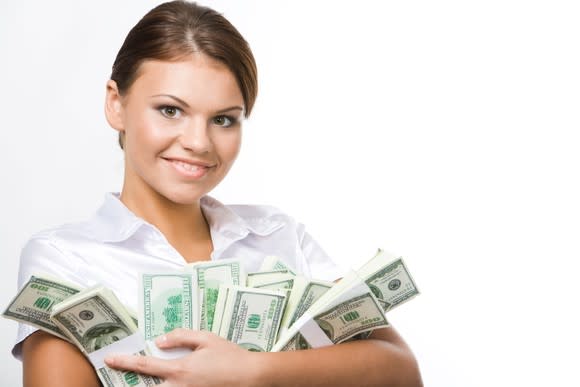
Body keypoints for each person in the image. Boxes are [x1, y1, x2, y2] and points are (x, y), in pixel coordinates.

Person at [15, 1, 422, 386]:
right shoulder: (64, 258)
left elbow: (401, 371)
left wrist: (252, 371)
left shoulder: (278, 236)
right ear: (116, 104)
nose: (199, 142)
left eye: (224, 119)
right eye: (170, 110)